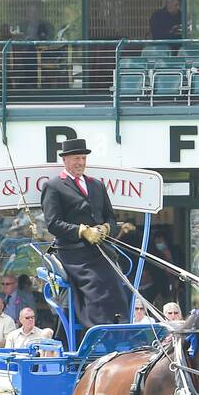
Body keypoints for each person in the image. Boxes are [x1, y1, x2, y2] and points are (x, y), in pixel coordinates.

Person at [39, 138, 128, 328]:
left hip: (100, 249)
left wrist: (105, 228)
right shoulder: (53, 186)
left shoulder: (96, 185)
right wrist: (82, 231)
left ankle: (120, 328)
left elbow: (111, 219)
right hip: (73, 252)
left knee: (117, 283)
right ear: (65, 160)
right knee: (95, 284)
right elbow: (53, 224)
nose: (80, 162)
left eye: (83, 158)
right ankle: (98, 331)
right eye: (76, 158)